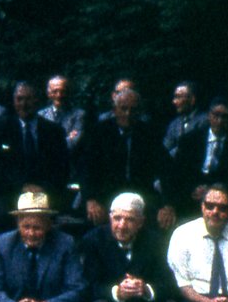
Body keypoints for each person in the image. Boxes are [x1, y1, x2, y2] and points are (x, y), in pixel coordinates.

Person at [0, 82, 70, 225]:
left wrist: (41, 188)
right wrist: (23, 187)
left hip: (45, 192)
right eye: (19, 99)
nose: (24, 104)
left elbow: (62, 169)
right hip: (10, 192)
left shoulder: (53, 131)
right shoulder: (0, 128)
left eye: (29, 99)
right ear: (14, 101)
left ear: (37, 100)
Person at [78, 87, 166, 228]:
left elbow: (165, 169)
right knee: (94, 220)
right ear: (114, 110)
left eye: (133, 110)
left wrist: (167, 205)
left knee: (160, 220)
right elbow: (86, 168)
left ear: (139, 112)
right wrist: (90, 199)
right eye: (123, 109)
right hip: (105, 195)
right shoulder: (98, 132)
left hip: (141, 195)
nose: (128, 114)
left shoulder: (149, 133)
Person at [168, 97, 228, 211]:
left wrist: (212, 190)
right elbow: (179, 171)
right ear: (209, 115)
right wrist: (193, 189)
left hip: (222, 197)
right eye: (216, 115)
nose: (219, 121)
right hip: (191, 194)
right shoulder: (190, 139)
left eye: (225, 117)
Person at [41, 75, 87, 154]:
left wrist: (49, 143)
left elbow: (73, 144)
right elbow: (39, 145)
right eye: (55, 91)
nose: (59, 95)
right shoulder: (41, 115)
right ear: (49, 94)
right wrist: (68, 138)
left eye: (63, 91)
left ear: (68, 93)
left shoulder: (79, 115)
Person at [164, 81, 207, 156]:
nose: (174, 101)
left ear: (192, 100)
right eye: (174, 97)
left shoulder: (204, 121)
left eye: (178, 97)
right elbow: (165, 148)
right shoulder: (174, 124)